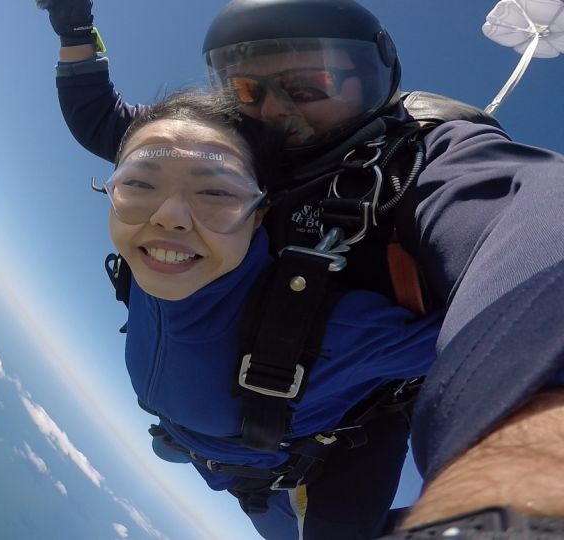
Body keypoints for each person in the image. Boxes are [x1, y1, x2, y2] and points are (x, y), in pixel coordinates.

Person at [37, 0, 564, 538]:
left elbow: (538, 226)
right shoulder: (216, 150)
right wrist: (75, 27)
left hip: (330, 449)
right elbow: (101, 120)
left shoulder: (421, 165)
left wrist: (520, 503)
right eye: (247, 91)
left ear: (375, 83)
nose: (276, 114)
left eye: (309, 88)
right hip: (212, 443)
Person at [104, 88, 442, 540]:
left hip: (292, 485)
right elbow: (93, 117)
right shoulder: (155, 262)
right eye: (140, 183)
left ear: (258, 213)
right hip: (214, 459)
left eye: (215, 192)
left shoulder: (326, 331)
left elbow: (499, 331)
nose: (169, 216)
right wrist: (75, 33)